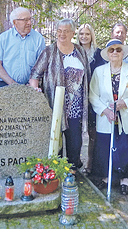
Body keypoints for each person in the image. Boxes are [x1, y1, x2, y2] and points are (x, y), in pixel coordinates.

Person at [29, 19, 90, 171]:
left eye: (66, 31)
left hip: (76, 106)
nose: (62, 34)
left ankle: (72, 171)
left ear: (72, 33)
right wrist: (36, 92)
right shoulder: (49, 51)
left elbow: (87, 75)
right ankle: (54, 173)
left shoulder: (80, 51)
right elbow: (35, 75)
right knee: (55, 142)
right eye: (59, 31)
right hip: (53, 105)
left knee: (75, 142)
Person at [89, 39, 128, 195]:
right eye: (111, 50)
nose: (115, 52)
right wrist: (105, 111)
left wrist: (125, 103)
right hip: (106, 117)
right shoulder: (99, 72)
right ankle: (107, 177)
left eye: (118, 50)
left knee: (126, 147)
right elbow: (93, 95)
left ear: (123, 53)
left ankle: (125, 179)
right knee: (106, 147)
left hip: (126, 116)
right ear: (107, 53)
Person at [76, 23, 106, 174]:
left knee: (93, 133)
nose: (84, 37)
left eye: (87, 34)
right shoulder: (74, 52)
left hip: (94, 96)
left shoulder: (99, 54)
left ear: (91, 36)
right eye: (81, 34)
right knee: (76, 132)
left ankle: (91, 164)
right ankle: (75, 163)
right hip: (77, 97)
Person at [0, 7, 45, 88]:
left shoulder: (38, 39)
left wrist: (33, 83)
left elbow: (42, 65)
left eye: (30, 19)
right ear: (15, 22)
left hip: (30, 87)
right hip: (6, 86)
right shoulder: (3, 38)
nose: (29, 23)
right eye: (25, 20)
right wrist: (12, 84)